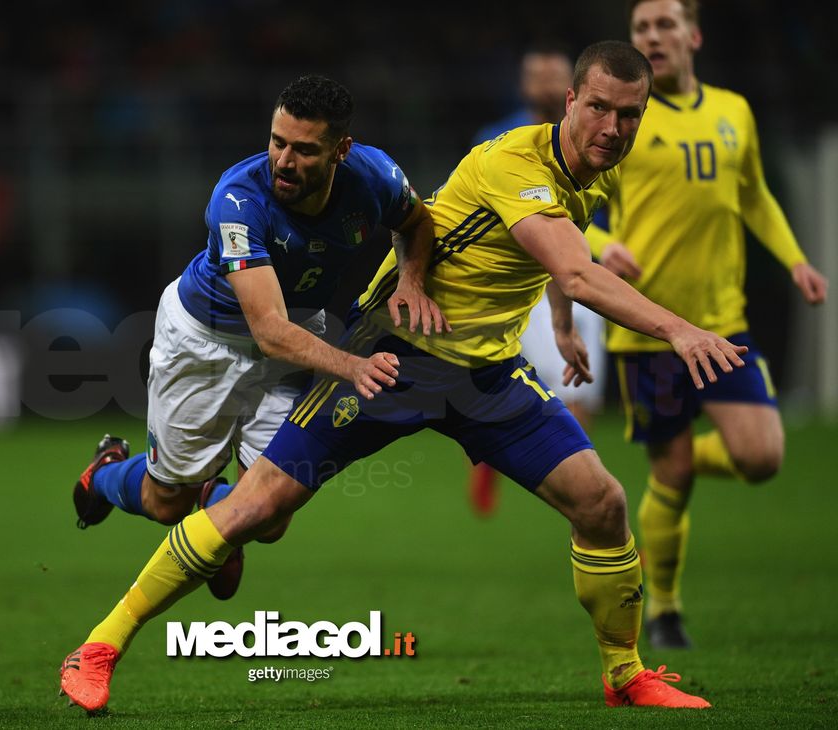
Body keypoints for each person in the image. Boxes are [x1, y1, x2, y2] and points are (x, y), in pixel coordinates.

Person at [59, 41, 745, 712]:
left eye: (629, 114)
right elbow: (572, 266)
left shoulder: (581, 171)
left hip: (485, 373)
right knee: (238, 508)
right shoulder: (513, 160)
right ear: (571, 101)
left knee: (601, 503)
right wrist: (679, 328)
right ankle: (99, 646)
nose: (612, 127)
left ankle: (624, 674)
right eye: (598, 107)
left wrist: (553, 326)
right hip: (385, 355)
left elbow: (480, 237)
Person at [68, 74, 446, 602]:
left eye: (304, 150)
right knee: (164, 505)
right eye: (278, 142)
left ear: (342, 150)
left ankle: (222, 512)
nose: (285, 162)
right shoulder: (239, 199)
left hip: (295, 340)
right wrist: (354, 367)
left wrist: (411, 281)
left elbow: (416, 222)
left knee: (270, 517)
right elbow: (268, 330)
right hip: (206, 342)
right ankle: (109, 472)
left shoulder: (376, 175)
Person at [592, 0, 829, 649]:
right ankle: (664, 608)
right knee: (670, 472)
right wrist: (601, 244)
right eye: (641, 28)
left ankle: (675, 465)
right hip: (647, 331)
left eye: (665, 24)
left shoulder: (734, 112)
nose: (652, 36)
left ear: (693, 35)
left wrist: (797, 260)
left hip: (723, 321)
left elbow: (753, 194)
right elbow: (574, 206)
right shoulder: (620, 123)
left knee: (761, 456)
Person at [468, 44, 609, 515]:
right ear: (524, 84)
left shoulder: (599, 144)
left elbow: (593, 220)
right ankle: (588, 505)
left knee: (578, 395)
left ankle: (588, 501)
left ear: (570, 91)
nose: (545, 85)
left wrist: (611, 248)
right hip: (518, 282)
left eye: (553, 76)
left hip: (577, 275)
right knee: (512, 384)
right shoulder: (497, 137)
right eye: (537, 77)